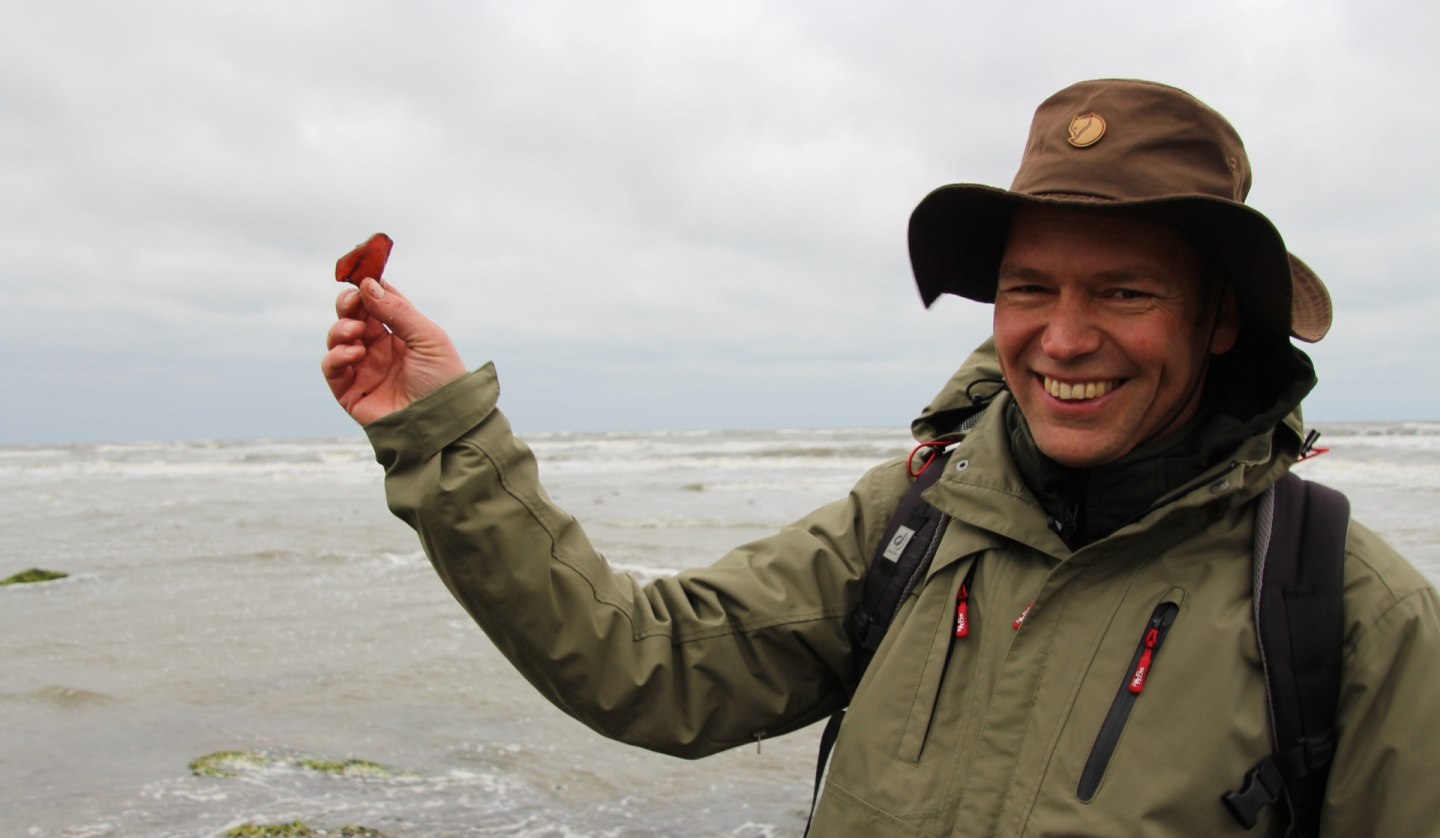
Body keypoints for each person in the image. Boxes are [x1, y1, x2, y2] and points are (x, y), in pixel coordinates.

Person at [322, 79, 1440, 836]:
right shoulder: (913, 520)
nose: (1062, 337)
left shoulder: (1343, 614)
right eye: (1028, 286)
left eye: (1125, 292)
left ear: (1221, 319)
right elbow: (641, 663)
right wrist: (446, 432)